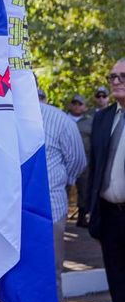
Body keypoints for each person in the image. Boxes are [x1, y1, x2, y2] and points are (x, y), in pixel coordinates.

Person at [86, 60, 125, 302]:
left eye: (122, 76)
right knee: (119, 290)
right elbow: (94, 166)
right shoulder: (102, 119)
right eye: (113, 76)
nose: (116, 81)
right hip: (111, 218)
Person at [38, 88, 85, 302]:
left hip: (51, 211)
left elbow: (77, 160)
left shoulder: (58, 119)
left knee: (50, 272)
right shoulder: (3, 116)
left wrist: (61, 182)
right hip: (11, 212)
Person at [67, 94, 93, 227]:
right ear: (70, 105)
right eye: (74, 103)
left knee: (84, 189)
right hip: (66, 161)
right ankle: (61, 215)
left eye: (80, 104)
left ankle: (82, 217)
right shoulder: (63, 118)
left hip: (85, 162)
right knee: (64, 188)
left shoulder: (90, 121)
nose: (77, 106)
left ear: (85, 107)